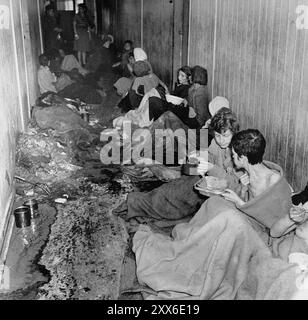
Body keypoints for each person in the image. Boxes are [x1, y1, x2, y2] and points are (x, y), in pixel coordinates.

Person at [132, 129, 297, 300]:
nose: (232, 158)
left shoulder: (274, 181)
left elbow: (276, 227)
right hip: (247, 216)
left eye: (234, 155)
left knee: (229, 219)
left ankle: (205, 264)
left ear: (244, 158)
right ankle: (192, 244)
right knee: (215, 203)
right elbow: (247, 197)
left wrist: (240, 203)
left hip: (261, 235)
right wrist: (238, 191)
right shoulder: (249, 173)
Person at [114, 107, 244, 227]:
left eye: (225, 136)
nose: (221, 140)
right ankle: (137, 203)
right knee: (170, 188)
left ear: (234, 132)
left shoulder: (239, 152)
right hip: (205, 182)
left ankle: (135, 204)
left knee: (173, 195)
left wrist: (211, 168)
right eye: (217, 136)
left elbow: (235, 185)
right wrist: (198, 156)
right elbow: (209, 156)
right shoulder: (217, 143)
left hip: (219, 194)